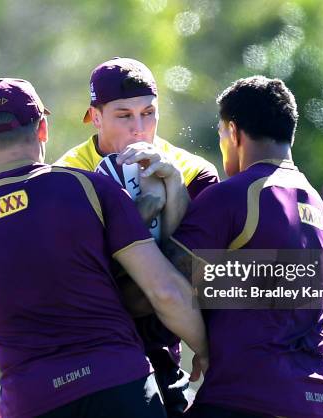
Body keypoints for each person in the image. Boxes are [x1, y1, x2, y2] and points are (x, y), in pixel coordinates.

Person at [0, 78, 208, 418]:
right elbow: (165, 290)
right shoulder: (87, 186)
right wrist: (205, 349)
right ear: (43, 129)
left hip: (31, 402)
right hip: (116, 388)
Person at [164, 76, 323, 418]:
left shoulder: (236, 195)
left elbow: (163, 277)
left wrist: (168, 197)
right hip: (318, 401)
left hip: (247, 398)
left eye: (220, 134)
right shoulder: (318, 207)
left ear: (233, 132)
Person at [55, 57, 219, 417]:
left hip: (164, 356)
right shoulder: (67, 175)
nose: (139, 128)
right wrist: (139, 214)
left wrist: (174, 192)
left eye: (149, 112)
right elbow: (85, 282)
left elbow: (196, 274)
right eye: (124, 115)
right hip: (89, 359)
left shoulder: (193, 171)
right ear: (95, 117)